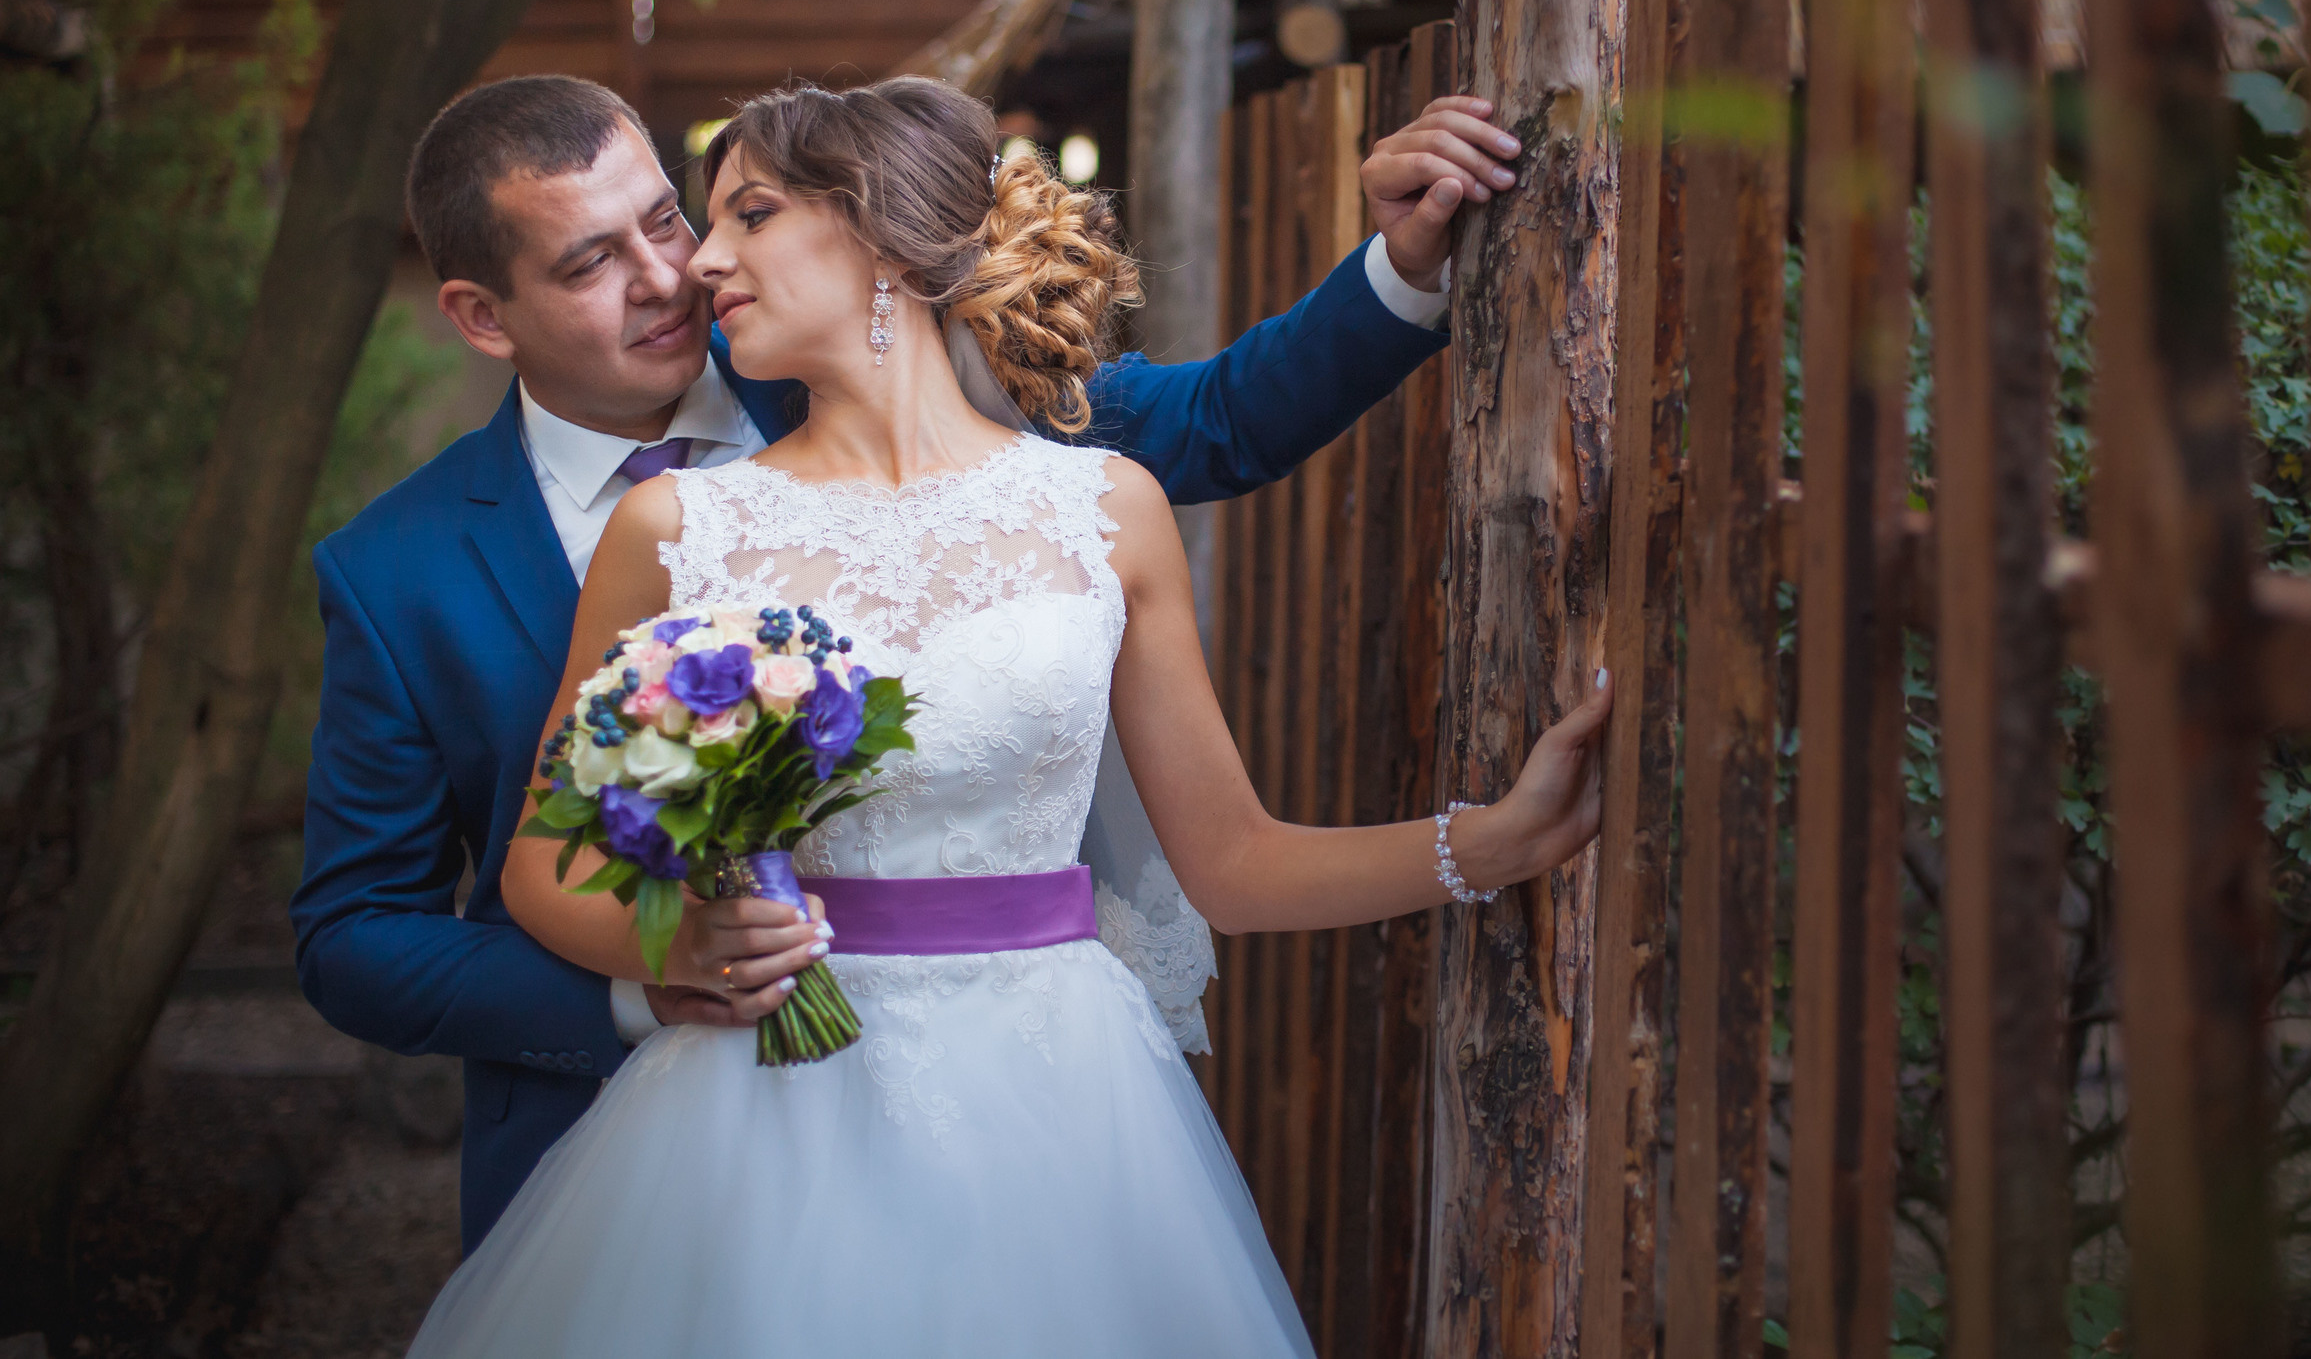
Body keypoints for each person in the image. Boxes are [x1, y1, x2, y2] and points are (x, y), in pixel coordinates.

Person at [399, 77, 1611, 1357]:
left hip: (1062, 1108)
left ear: (878, 234)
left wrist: (1491, 844)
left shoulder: (1102, 504)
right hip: (759, 1114)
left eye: (744, 214)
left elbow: (1235, 866)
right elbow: (545, 865)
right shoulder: (679, 530)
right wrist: (679, 945)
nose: (700, 264)